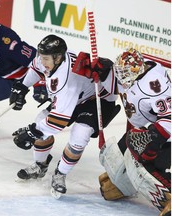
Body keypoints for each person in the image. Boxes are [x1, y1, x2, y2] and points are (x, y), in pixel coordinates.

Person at [9, 34, 120, 196]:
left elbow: (58, 122)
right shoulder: (50, 59)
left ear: (58, 57)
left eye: (46, 59)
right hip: (78, 96)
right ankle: (40, 165)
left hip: (98, 99)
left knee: (79, 135)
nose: (42, 61)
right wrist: (23, 86)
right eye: (41, 57)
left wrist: (31, 132)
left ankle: (60, 174)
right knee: (40, 121)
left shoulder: (65, 78)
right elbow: (35, 67)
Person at [82, 48, 170, 215]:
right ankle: (125, 184)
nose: (121, 76)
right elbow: (118, 86)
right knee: (118, 161)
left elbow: (170, 119)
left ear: (137, 70)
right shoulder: (133, 76)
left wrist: (152, 141)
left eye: (124, 72)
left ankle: (168, 194)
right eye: (120, 71)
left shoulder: (155, 85)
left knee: (140, 160)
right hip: (146, 128)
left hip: (165, 137)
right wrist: (101, 72)